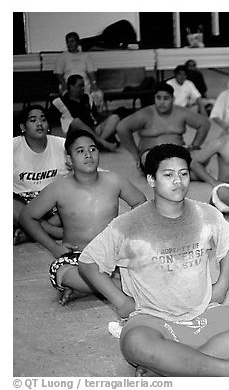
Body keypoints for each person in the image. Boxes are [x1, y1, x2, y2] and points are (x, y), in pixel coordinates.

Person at [77, 144, 229, 377]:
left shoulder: (205, 214)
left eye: (184, 173)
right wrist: (120, 300)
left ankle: (173, 365)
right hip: (153, 319)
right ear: (151, 180)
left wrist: (223, 284)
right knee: (134, 343)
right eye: (168, 175)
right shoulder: (128, 224)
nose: (178, 181)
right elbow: (88, 262)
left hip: (202, 314)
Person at [18, 130, 146, 305]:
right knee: (60, 272)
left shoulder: (114, 180)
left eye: (93, 149)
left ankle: (92, 289)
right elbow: (27, 216)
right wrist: (54, 248)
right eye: (80, 151)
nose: (88, 155)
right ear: (69, 160)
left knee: (149, 260)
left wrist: (124, 234)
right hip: (77, 256)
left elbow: (140, 202)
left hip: (112, 255)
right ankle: (126, 287)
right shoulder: (59, 188)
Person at [116, 82, 211, 172]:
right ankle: (190, 172)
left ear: (173, 99)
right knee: (162, 166)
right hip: (152, 156)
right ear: (154, 98)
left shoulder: (181, 112)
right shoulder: (145, 114)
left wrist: (193, 146)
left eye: (166, 98)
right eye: (158, 98)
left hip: (178, 154)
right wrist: (136, 154)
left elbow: (204, 124)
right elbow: (121, 128)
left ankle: (188, 170)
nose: (162, 102)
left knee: (203, 157)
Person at [13, 105, 69, 245]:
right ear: (23, 126)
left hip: (54, 203)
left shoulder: (62, 145)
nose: (39, 123)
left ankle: (30, 233)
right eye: (33, 120)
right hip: (22, 203)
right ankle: (51, 230)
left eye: (43, 119)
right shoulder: (11, 147)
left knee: (77, 200)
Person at [51, 74, 128, 151]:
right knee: (76, 121)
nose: (83, 88)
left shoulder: (87, 98)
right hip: (76, 133)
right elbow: (49, 120)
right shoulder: (59, 101)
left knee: (115, 118)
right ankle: (102, 143)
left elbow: (95, 116)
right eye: (80, 86)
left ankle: (96, 144)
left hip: (92, 130)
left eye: (83, 85)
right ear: (71, 86)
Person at [55, 32, 100, 96]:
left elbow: (91, 72)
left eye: (72, 41)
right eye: (68, 42)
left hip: (84, 84)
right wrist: (64, 85)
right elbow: (59, 74)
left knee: (98, 94)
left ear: (77, 42)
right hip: (69, 85)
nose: (69, 44)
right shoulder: (62, 56)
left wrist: (93, 83)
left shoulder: (85, 56)